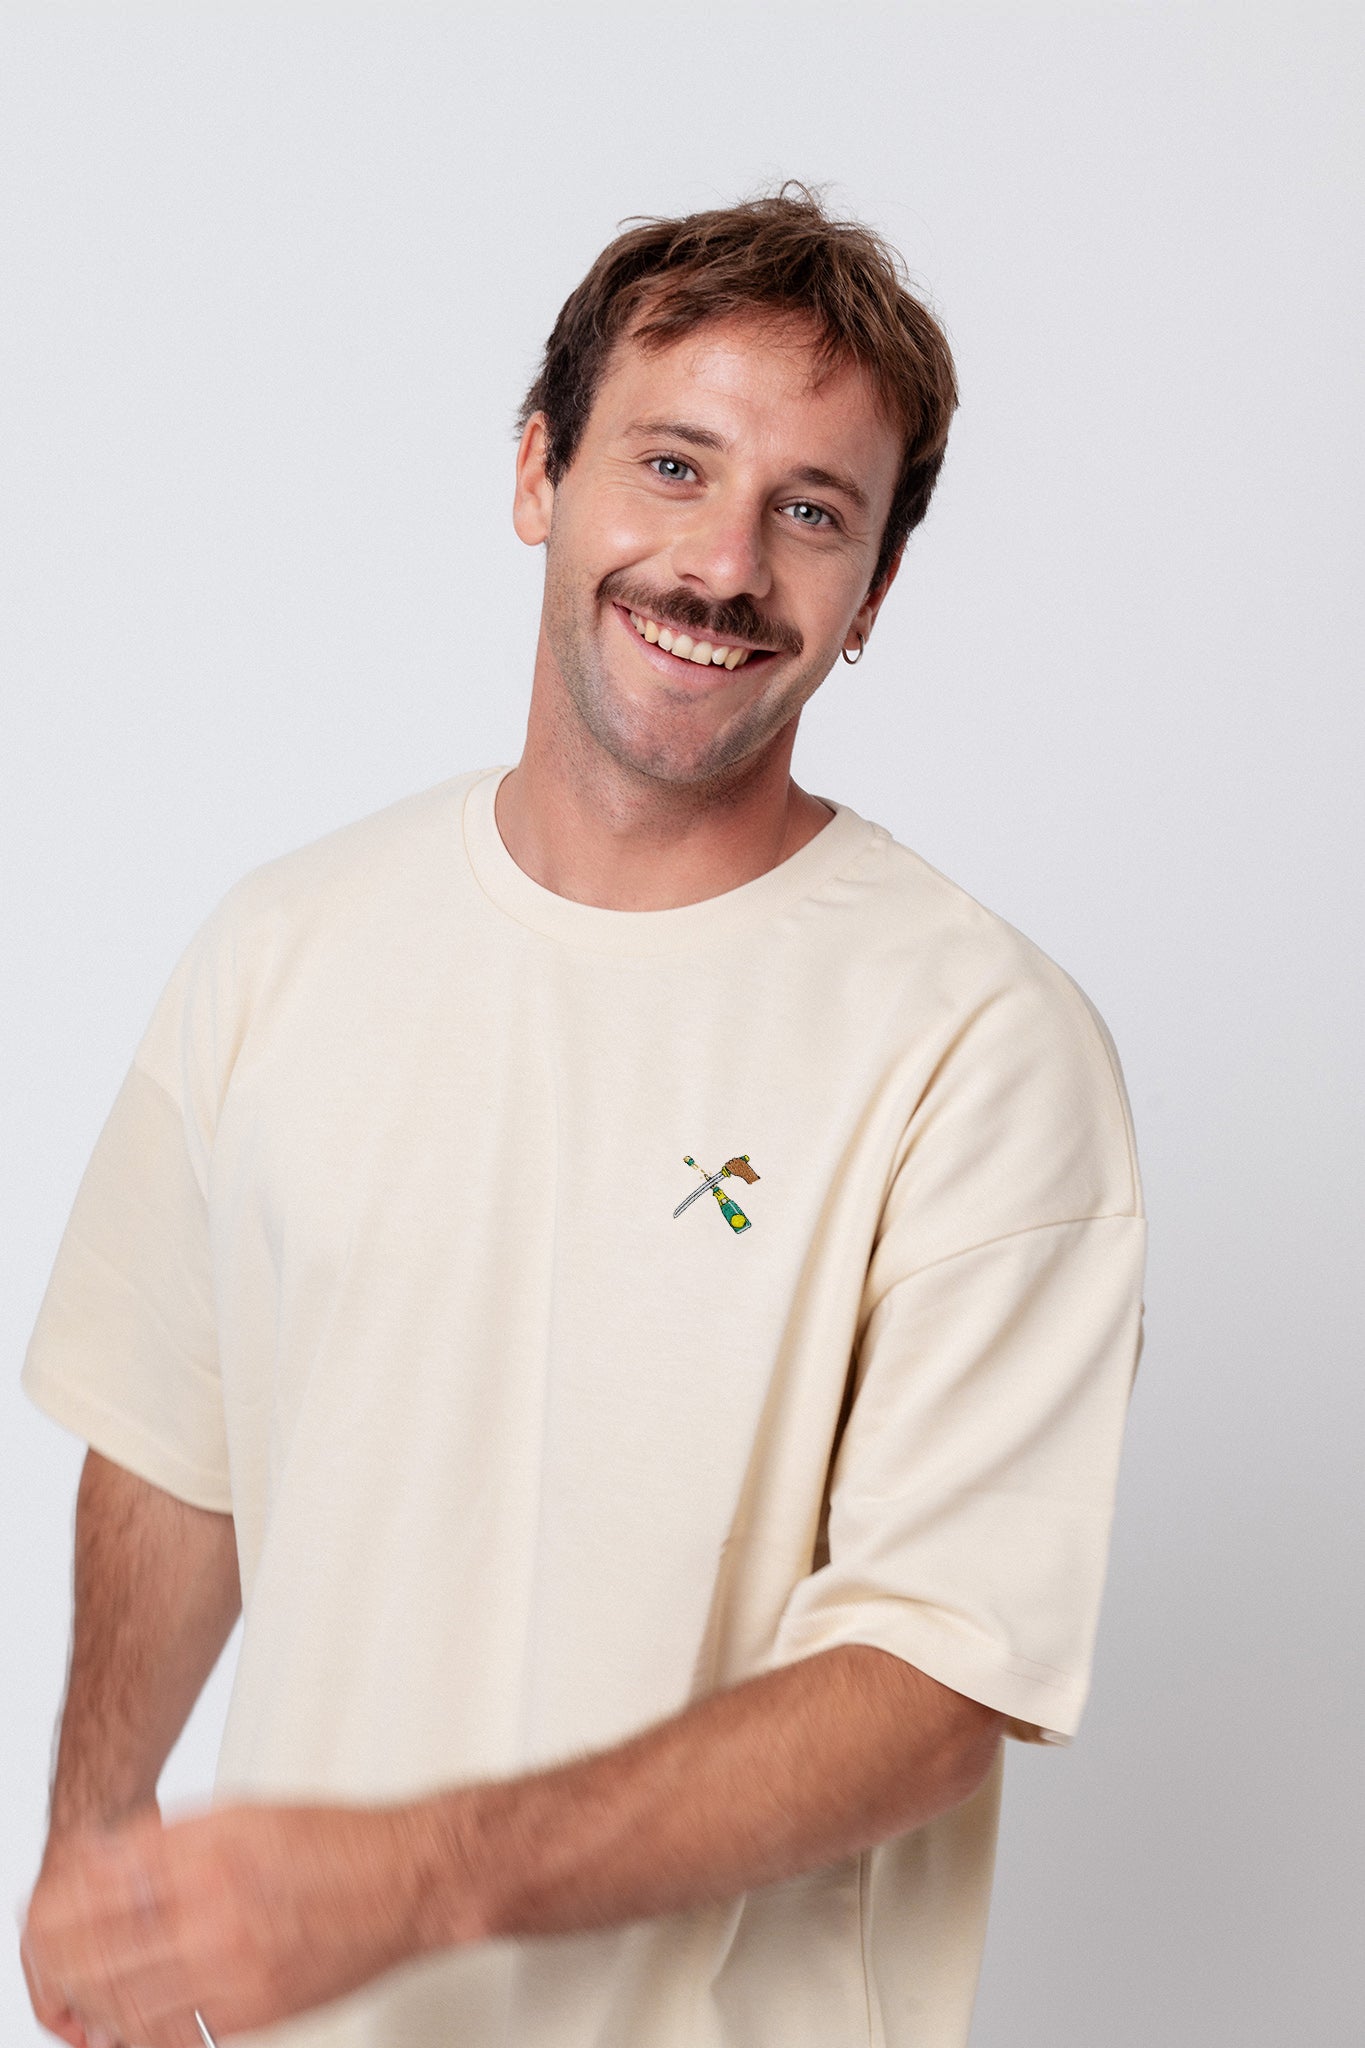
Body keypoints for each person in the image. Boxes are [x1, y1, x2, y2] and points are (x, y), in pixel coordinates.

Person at [19, 186, 1145, 2048]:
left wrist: (410, 1882)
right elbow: (168, 1437)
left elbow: (931, 1685)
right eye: (672, 465)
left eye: (812, 511)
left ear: (872, 596)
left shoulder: (980, 1046)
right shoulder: (285, 945)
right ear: (539, 472)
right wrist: (93, 1845)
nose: (721, 565)